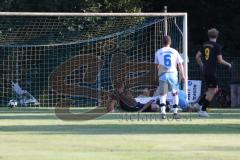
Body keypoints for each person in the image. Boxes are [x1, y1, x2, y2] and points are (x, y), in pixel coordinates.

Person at [194, 28, 231, 117]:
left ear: (208, 35)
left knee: (213, 89)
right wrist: (228, 64)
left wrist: (202, 65)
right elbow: (220, 60)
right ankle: (202, 110)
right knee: (213, 90)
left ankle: (198, 104)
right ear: (217, 36)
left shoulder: (204, 45)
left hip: (206, 70)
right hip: (211, 71)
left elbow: (197, 57)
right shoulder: (217, 46)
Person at [154, 36, 185, 119]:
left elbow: (157, 66)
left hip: (163, 74)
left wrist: (159, 74)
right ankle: (175, 113)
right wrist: (183, 75)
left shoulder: (158, 51)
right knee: (175, 93)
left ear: (162, 43)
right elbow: (180, 64)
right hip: (172, 74)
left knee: (163, 94)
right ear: (170, 42)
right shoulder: (174, 51)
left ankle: (163, 113)